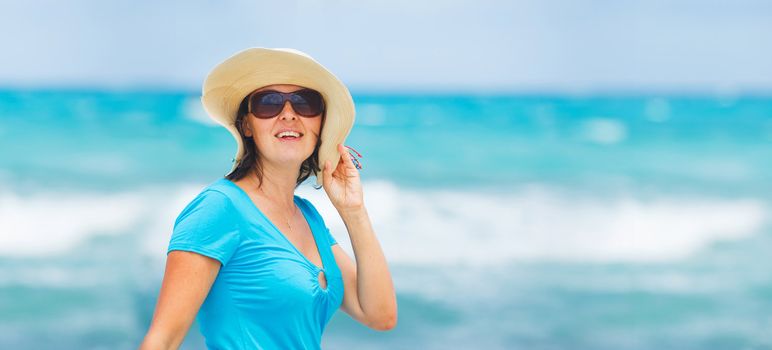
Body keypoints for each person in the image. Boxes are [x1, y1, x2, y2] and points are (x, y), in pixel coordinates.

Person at [139, 48, 397, 350]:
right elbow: (162, 340)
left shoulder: (308, 216)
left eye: (305, 103)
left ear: (320, 125)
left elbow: (380, 316)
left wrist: (354, 211)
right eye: (268, 103)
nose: (288, 113)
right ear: (246, 125)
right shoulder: (219, 207)